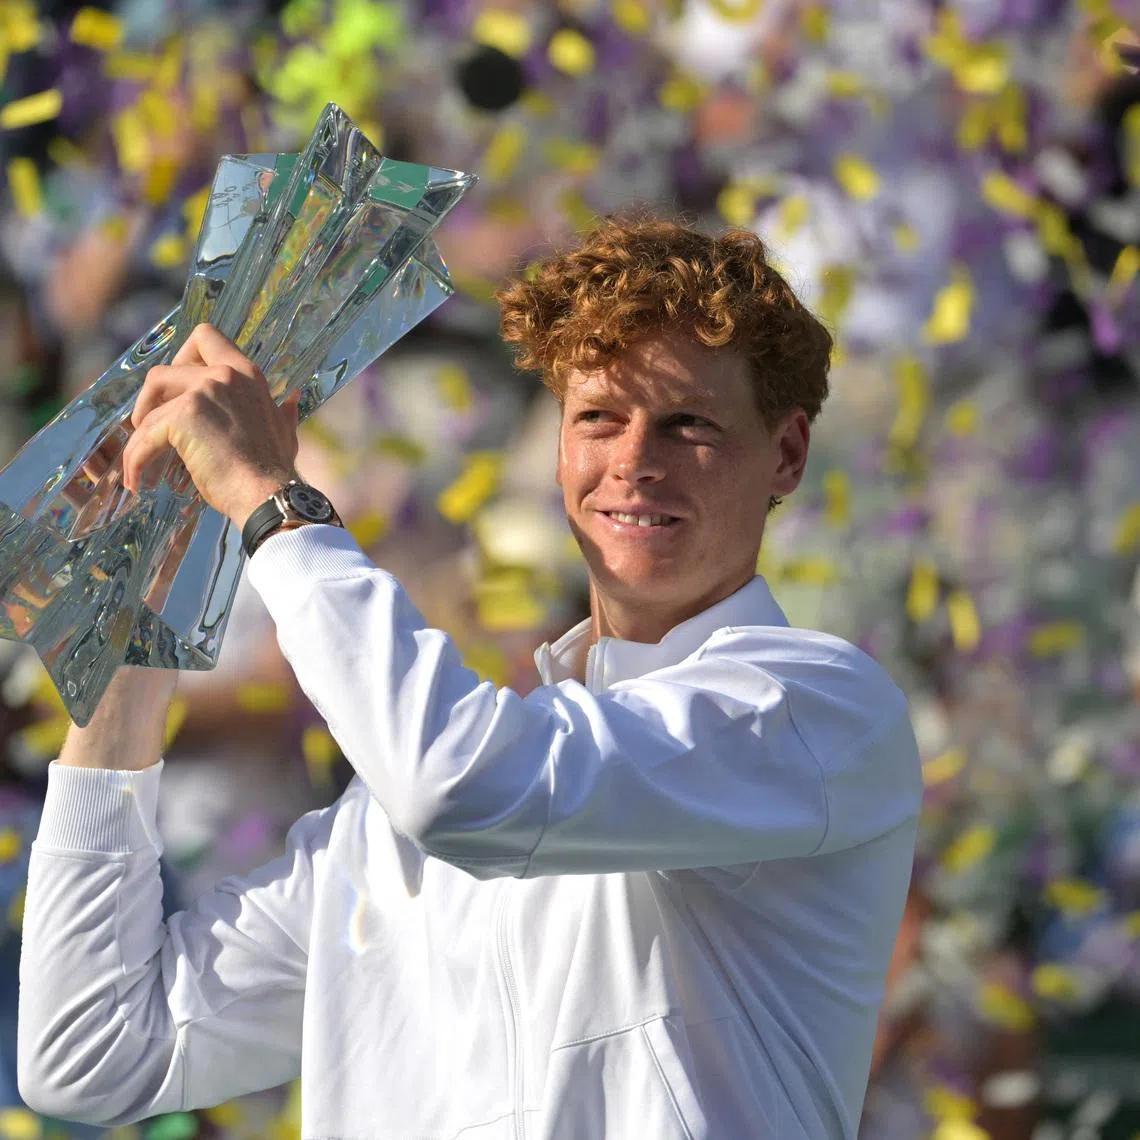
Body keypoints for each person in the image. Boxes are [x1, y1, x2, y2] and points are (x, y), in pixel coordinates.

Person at [17, 216, 923, 1140]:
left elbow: (466, 788)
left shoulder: (815, 706)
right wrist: (141, 610)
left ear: (787, 453)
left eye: (688, 424)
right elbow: (89, 1051)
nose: (634, 462)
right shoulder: (395, 815)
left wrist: (267, 499)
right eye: (598, 418)